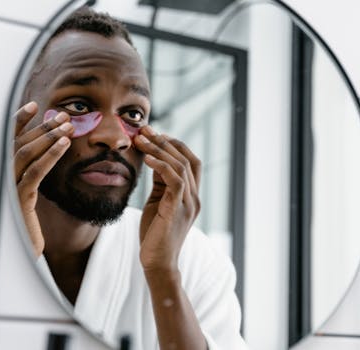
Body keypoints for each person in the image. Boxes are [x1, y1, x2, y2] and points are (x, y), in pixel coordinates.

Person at [13, 6, 246, 350]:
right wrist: (14, 258)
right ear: (19, 119)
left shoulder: (193, 260)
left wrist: (164, 274)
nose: (116, 137)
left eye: (133, 113)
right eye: (79, 106)